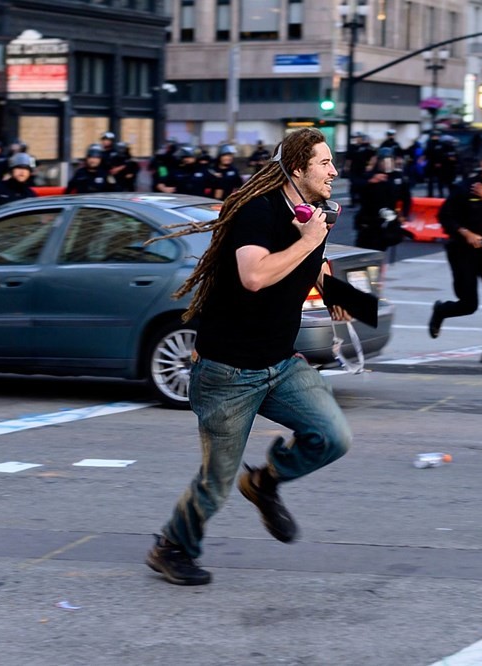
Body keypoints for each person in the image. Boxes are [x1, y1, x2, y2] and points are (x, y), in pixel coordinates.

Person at [145, 127, 352, 585]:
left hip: (281, 363)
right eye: (324, 163)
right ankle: (171, 547)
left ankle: (264, 482)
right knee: (215, 483)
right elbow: (254, 275)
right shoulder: (256, 212)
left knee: (332, 436)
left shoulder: (312, 214)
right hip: (228, 372)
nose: (334, 171)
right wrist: (305, 240)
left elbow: (314, 265)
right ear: (297, 169)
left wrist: (338, 290)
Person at [429, 150, 482, 366]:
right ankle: (442, 310)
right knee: (469, 304)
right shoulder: (464, 187)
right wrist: (466, 234)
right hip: (462, 252)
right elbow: (445, 217)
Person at [353, 147, 412, 251]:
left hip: (387, 219)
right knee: (364, 249)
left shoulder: (398, 177)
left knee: (381, 249)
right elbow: (356, 185)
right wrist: (371, 181)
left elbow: (406, 198)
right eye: (383, 161)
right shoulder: (370, 175)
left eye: (389, 160)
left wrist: (404, 214)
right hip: (368, 219)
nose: (387, 164)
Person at [344, 132, 375, 207]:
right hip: (354, 169)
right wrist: (347, 167)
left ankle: (362, 201)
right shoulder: (352, 147)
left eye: (359, 137)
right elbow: (349, 158)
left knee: (363, 186)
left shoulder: (367, 147)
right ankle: (353, 202)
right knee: (353, 186)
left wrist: (370, 165)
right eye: (356, 138)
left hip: (363, 170)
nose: (357, 139)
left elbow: (373, 156)